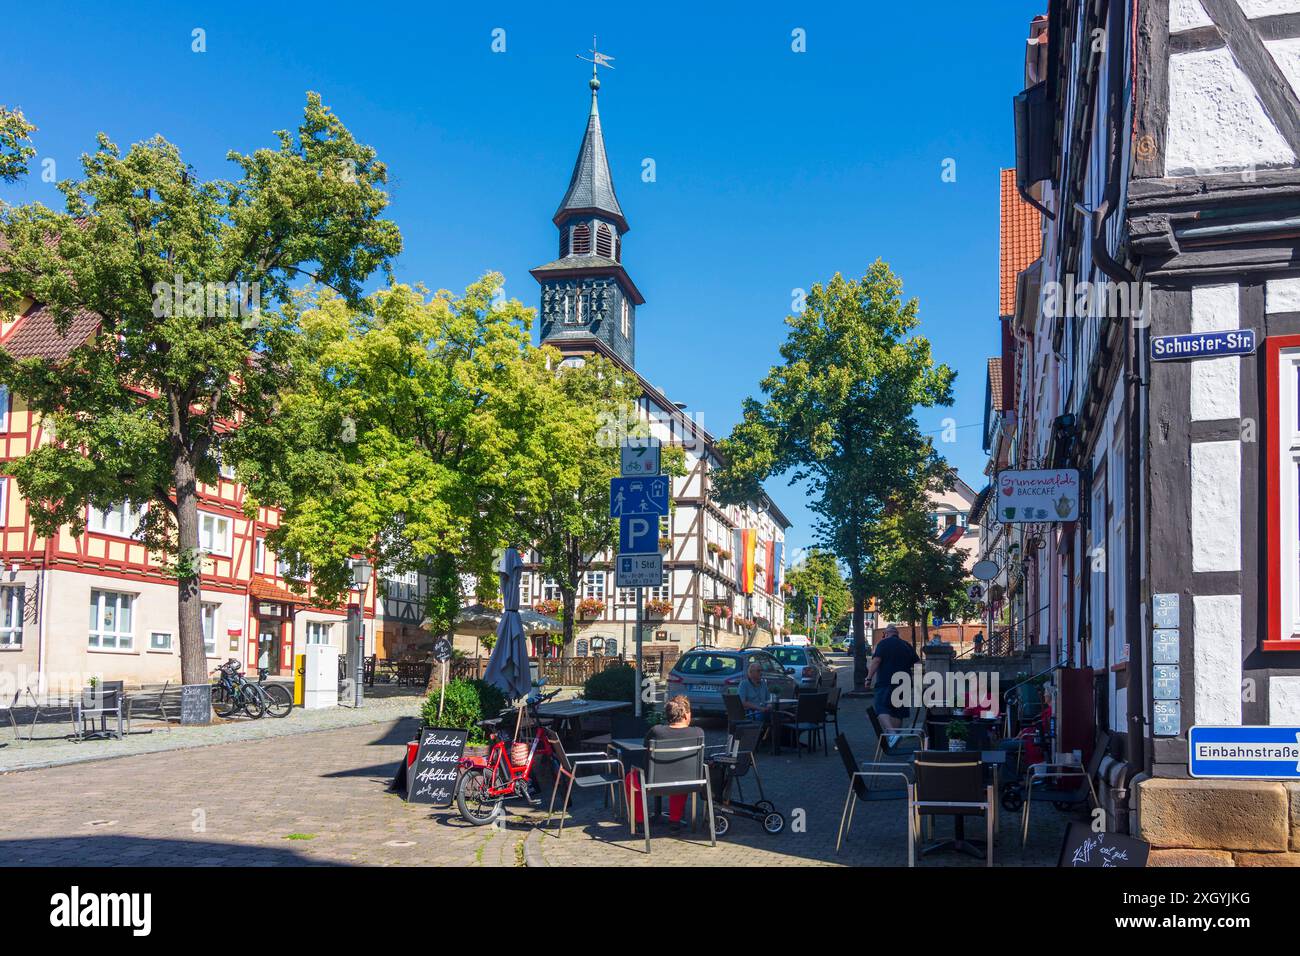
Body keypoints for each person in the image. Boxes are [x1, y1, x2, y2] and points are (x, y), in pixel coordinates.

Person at [625, 695, 704, 834]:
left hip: (654, 783)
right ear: (686, 715)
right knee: (682, 772)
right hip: (689, 782)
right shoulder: (698, 732)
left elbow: (645, 745)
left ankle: (640, 821)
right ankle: (675, 820)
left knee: (630, 779)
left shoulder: (657, 731)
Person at [866, 625, 920, 744]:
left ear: (885, 634)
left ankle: (891, 733)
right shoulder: (906, 645)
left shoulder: (883, 644)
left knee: (881, 707)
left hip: (886, 682)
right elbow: (918, 664)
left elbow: (876, 661)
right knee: (897, 712)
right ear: (897, 634)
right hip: (904, 684)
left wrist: (868, 678)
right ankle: (894, 739)